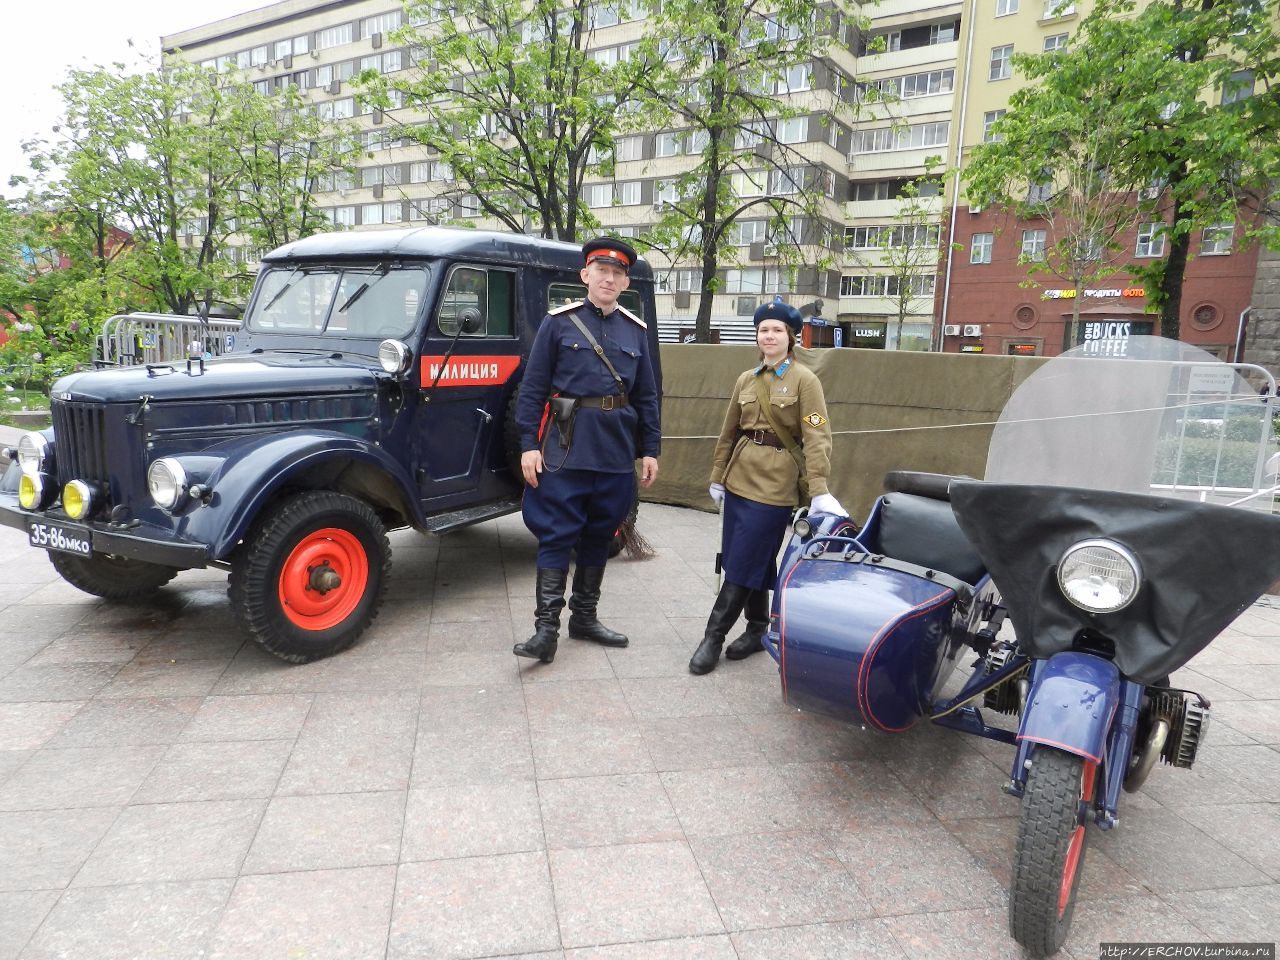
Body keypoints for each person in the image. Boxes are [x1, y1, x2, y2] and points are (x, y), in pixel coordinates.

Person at [513, 237, 661, 664]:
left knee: (601, 532)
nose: (609, 279)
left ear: (625, 281)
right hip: (564, 445)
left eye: (617, 273)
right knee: (558, 533)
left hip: (615, 450)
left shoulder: (635, 332)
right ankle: (545, 631)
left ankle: (585, 618)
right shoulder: (558, 324)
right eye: (601, 271)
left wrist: (649, 448)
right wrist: (528, 445)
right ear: (586, 276)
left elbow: (647, 395)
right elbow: (533, 389)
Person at [688, 298, 846, 675]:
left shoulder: (806, 381)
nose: (769, 336)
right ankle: (758, 628)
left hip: (775, 486)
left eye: (777, 330)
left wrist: (819, 487)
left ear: (791, 337)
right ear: (756, 336)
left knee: (742, 562)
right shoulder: (747, 379)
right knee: (745, 556)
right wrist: (717, 476)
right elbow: (728, 432)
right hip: (740, 480)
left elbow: (817, 435)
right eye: (763, 330)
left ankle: (713, 636)